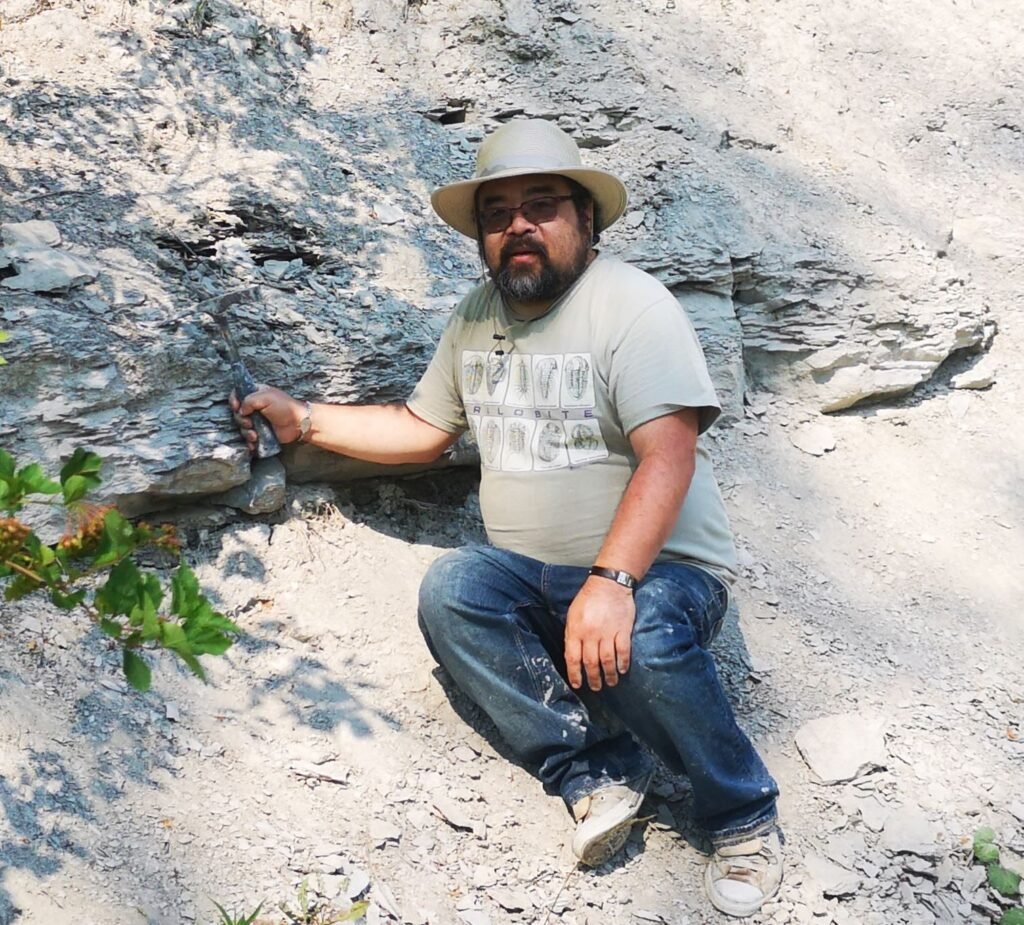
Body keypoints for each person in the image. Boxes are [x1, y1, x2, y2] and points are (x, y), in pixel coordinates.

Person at [231, 119, 782, 918]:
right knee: (453, 587)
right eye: (497, 213)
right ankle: (592, 768)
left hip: (661, 573)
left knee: (651, 630)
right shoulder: (475, 317)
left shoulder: (632, 306)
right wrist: (305, 418)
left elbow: (670, 454)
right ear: (482, 237)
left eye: (541, 204)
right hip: (532, 574)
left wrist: (613, 579)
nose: (518, 224)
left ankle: (742, 816)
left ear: (585, 220)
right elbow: (423, 430)